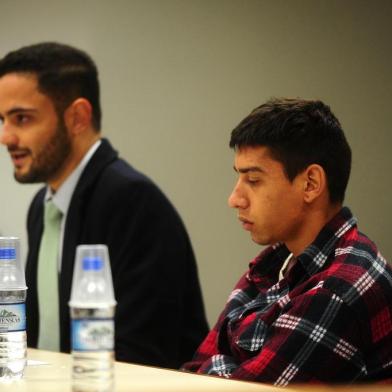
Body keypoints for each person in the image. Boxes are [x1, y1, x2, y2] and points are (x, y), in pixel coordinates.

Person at [0, 42, 209, 368]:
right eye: (3, 120)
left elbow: (143, 357)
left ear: (78, 117)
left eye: (22, 118)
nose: (6, 137)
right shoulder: (41, 207)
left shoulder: (134, 201)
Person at [182, 98, 392, 384]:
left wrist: (218, 365)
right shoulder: (275, 263)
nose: (235, 199)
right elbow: (190, 373)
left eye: (253, 180)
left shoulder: (341, 287)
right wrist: (221, 367)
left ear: (310, 184)